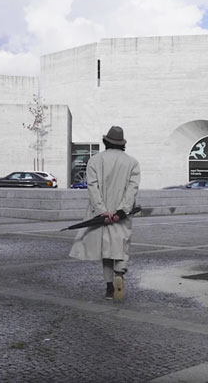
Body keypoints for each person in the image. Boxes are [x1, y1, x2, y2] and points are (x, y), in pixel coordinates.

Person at [69, 126, 141, 301]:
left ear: (106, 141)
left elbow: (93, 188)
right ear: (122, 143)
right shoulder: (132, 163)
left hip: (102, 214)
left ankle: (109, 287)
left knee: (106, 250)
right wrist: (121, 211)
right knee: (122, 246)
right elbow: (132, 190)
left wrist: (103, 211)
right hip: (121, 214)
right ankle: (120, 274)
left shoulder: (95, 160)